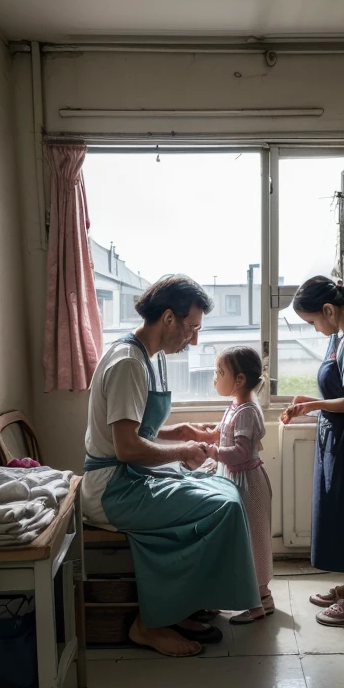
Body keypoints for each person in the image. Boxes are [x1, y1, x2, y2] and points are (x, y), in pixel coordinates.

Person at [82, 275, 260, 657]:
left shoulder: (149, 356)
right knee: (223, 506)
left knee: (224, 487)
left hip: (130, 476)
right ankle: (150, 623)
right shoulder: (129, 363)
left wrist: (176, 432)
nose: (193, 339)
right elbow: (127, 447)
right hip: (113, 488)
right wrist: (181, 452)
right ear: (167, 318)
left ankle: (178, 606)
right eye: (191, 328)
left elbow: (133, 427)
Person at [281, 276, 344, 626]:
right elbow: (339, 393)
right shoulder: (339, 335)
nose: (314, 328)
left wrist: (312, 408)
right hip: (339, 435)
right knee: (343, 510)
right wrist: (308, 404)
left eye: (312, 321)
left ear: (328, 310)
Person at [202, 347, 274, 624]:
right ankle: (252, 596)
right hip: (237, 479)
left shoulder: (246, 411)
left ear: (240, 380)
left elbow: (242, 452)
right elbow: (231, 440)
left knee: (251, 540)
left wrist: (213, 452)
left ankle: (257, 602)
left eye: (220, 372)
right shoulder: (236, 407)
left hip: (247, 484)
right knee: (239, 539)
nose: (214, 378)